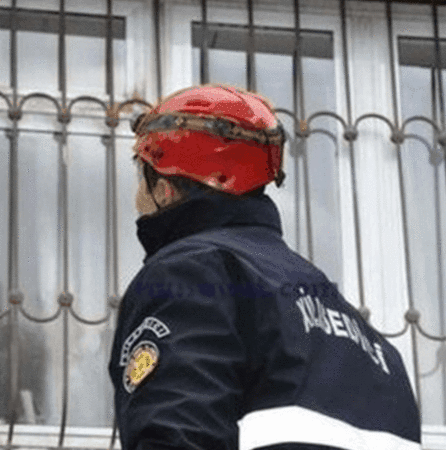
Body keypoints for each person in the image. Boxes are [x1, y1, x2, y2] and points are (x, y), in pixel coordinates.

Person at [108, 85, 421, 450]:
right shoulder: (370, 342)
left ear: (164, 190)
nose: (137, 199)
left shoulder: (190, 275)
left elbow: (177, 436)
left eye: (141, 180)